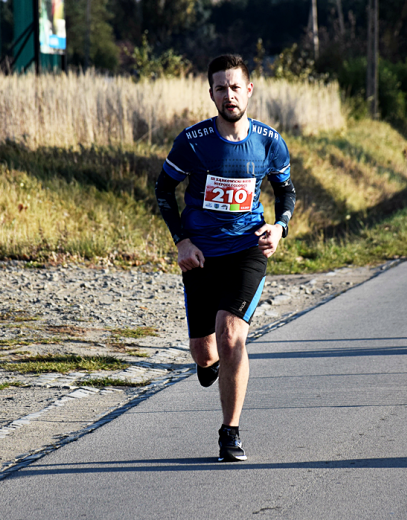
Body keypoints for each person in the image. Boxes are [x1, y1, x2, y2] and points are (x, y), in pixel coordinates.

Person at [154, 54, 295, 462]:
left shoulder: (269, 141)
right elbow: (164, 190)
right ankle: (211, 364)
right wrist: (181, 241)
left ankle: (229, 433)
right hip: (200, 255)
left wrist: (279, 227)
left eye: (235, 87)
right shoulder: (193, 142)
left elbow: (286, 191)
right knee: (204, 352)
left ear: (248, 90)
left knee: (230, 334)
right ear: (211, 93)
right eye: (221, 88)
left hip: (246, 250)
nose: (229, 95)